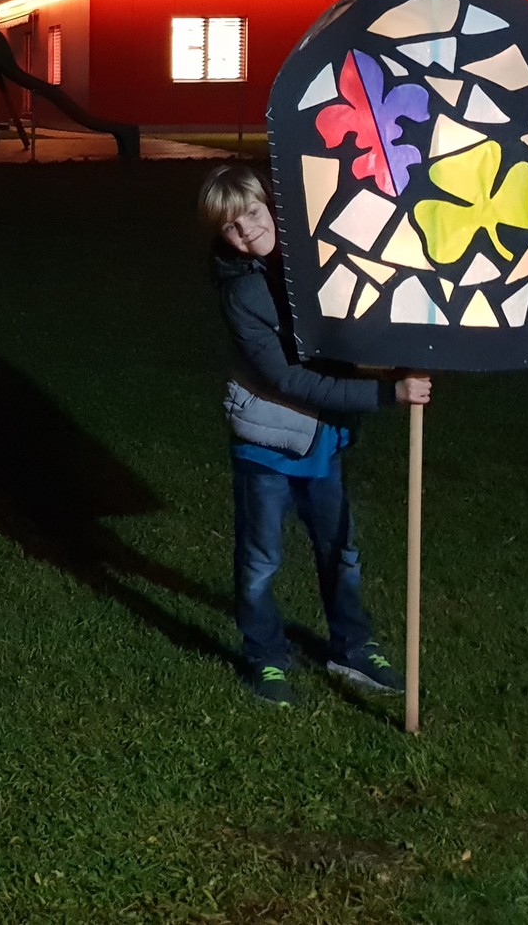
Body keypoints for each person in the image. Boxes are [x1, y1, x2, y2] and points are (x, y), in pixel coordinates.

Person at [198, 163, 429, 707]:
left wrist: (402, 357)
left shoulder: (315, 258)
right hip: (268, 442)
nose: (248, 230)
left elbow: (346, 334)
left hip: (322, 439)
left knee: (340, 550)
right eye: (231, 226)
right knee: (261, 560)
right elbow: (288, 379)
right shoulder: (242, 293)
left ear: (270, 204)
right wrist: (385, 396)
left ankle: (352, 647)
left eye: (253, 213)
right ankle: (266, 656)